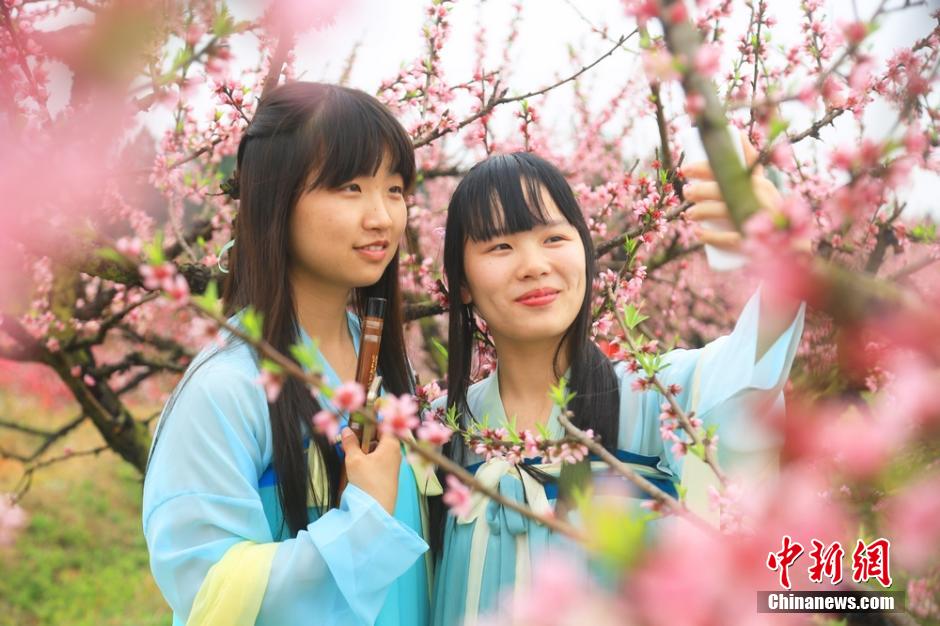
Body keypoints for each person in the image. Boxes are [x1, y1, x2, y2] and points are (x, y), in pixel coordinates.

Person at [430, 149, 805, 625]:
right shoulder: (441, 431)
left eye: (553, 238)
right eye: (500, 247)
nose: (534, 265)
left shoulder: (655, 396)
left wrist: (784, 261)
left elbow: (749, 373)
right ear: (461, 282)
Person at [143, 82, 435, 626]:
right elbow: (209, 588)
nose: (382, 217)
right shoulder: (227, 387)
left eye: (394, 189)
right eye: (350, 187)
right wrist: (363, 524)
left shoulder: (383, 360)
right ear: (275, 197)